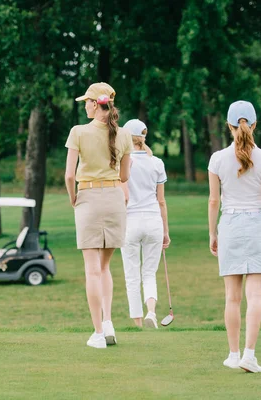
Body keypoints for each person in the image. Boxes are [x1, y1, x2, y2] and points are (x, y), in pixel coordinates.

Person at [208, 100, 261, 373]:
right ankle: (249, 356)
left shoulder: (217, 158)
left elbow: (213, 201)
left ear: (229, 126)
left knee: (232, 298)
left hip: (229, 225)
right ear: (254, 124)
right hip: (256, 226)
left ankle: (233, 355)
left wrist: (212, 233)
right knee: (255, 297)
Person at [65, 82, 133, 349]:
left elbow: (70, 175)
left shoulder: (78, 132)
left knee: (92, 270)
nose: (84, 106)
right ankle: (107, 322)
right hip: (115, 198)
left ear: (95, 104)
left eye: (86, 102)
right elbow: (125, 175)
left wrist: (73, 198)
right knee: (104, 268)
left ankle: (97, 333)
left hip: (89, 198)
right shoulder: (124, 133)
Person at [119, 119, 170, 329]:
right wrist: (166, 231)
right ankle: (151, 312)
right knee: (149, 273)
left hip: (130, 222)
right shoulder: (156, 163)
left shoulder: (123, 162)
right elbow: (161, 201)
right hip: (153, 222)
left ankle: (138, 323)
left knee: (132, 275)